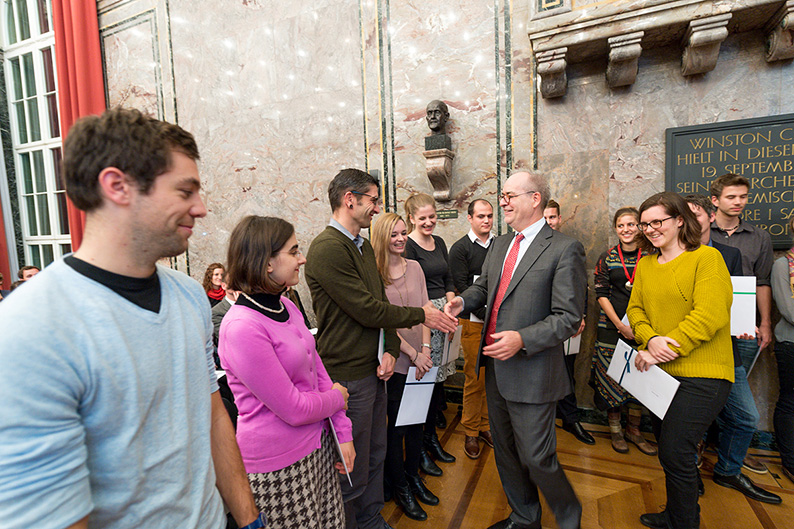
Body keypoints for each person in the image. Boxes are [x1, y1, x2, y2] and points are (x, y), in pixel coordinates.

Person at [0, 108, 262, 529]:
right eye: (185, 191)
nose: (201, 208)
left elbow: (212, 413)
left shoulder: (188, 296)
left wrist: (249, 519)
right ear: (118, 186)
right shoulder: (32, 327)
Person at [305, 168, 456, 529]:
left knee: (375, 452)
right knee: (350, 461)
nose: (377, 208)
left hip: (374, 370)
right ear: (350, 199)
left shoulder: (359, 245)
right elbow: (366, 309)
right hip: (348, 374)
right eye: (373, 199)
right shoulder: (328, 248)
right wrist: (423, 314)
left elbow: (379, 305)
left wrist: (389, 348)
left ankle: (372, 518)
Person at [445, 171, 586, 529]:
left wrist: (522, 338)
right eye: (502, 196)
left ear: (535, 198)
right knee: (506, 453)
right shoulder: (500, 245)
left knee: (538, 457)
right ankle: (525, 518)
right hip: (495, 370)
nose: (502, 202)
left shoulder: (564, 248)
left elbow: (568, 317)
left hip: (534, 372)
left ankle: (570, 518)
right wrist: (463, 300)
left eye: (509, 196)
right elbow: (486, 290)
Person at [219, 215, 354, 529]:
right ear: (267, 263)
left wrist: (342, 433)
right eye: (294, 251)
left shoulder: (287, 306)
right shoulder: (241, 327)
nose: (302, 258)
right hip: (278, 465)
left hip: (317, 446)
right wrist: (338, 398)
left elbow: (318, 371)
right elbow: (293, 408)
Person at [627, 192, 734, 529]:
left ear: (679, 221)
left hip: (704, 375)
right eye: (645, 224)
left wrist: (663, 346)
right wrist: (651, 338)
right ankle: (675, 515)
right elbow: (635, 310)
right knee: (670, 452)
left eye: (657, 221)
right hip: (661, 375)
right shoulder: (645, 264)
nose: (650, 229)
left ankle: (686, 522)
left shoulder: (707, 259)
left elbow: (710, 313)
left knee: (676, 451)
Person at [685, 194, 780, 503]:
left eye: (696, 215)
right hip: (690, 352)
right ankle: (689, 475)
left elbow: (735, 298)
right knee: (691, 421)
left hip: (727, 351)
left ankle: (727, 470)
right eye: (682, 215)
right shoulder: (671, 255)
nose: (690, 221)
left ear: (710, 217)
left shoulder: (729, 254)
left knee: (745, 417)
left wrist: (744, 323)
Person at [371, 212, 437, 521]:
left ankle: (414, 478)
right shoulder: (374, 274)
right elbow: (385, 321)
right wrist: (412, 353)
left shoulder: (417, 268)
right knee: (396, 429)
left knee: (416, 425)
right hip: (396, 361)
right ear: (382, 237)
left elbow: (425, 312)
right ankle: (400, 487)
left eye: (402, 233)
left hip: (421, 360)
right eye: (394, 234)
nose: (400, 239)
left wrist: (425, 349)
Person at [709, 173, 774, 474]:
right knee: (710, 391)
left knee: (737, 392)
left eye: (743, 197)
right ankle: (703, 446)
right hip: (709, 326)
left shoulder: (759, 237)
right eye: (731, 197)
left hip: (744, 327)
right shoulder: (701, 234)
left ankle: (732, 451)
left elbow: (762, 282)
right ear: (715, 200)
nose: (738, 202)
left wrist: (766, 322)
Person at [592, 206, 656, 456]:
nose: (626, 230)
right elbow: (600, 293)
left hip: (645, 328)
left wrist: (639, 328)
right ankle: (616, 430)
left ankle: (635, 430)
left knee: (640, 378)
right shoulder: (607, 257)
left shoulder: (652, 255)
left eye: (631, 224)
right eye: (621, 225)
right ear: (615, 229)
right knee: (613, 377)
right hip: (611, 327)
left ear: (640, 226)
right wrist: (620, 325)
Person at [404, 192, 457, 474]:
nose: (428, 222)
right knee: (424, 381)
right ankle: (421, 445)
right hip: (424, 316)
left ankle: (431, 438)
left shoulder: (440, 242)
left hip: (445, 313)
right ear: (411, 218)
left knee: (439, 381)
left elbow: (448, 278)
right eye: (422, 218)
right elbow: (414, 288)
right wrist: (434, 314)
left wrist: (450, 306)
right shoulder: (408, 246)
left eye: (432, 217)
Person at [544, 199, 594, 446]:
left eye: (552, 217)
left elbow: (580, 285)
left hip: (567, 322)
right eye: (544, 218)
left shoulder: (569, 247)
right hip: (539, 324)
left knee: (567, 370)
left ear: (559, 219)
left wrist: (581, 315)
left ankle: (570, 418)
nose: (549, 222)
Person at [449, 198, 495, 459]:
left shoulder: (500, 246)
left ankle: (486, 426)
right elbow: (463, 288)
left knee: (491, 379)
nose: (486, 221)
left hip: (496, 324)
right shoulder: (460, 249)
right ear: (470, 218)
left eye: (489, 216)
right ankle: (470, 431)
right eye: (480, 216)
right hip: (473, 324)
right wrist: (486, 315)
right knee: (474, 378)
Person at [771, 214, 794, 483]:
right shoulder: (782, 265)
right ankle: (789, 460)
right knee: (790, 403)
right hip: (790, 344)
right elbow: (788, 310)